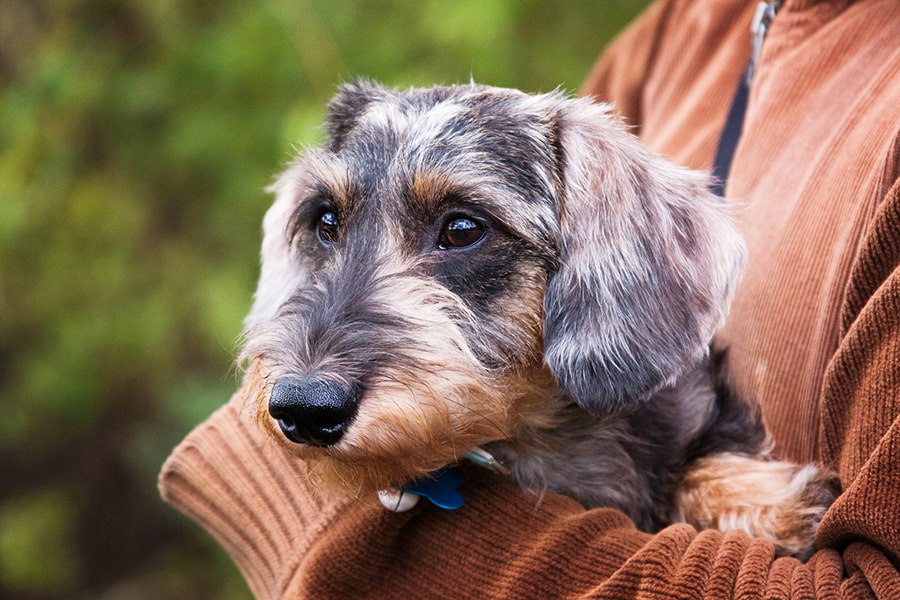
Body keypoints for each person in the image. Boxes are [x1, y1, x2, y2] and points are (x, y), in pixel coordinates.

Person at [159, 0, 900, 597]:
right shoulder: (680, 31)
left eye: (460, 230)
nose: (310, 378)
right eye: (327, 221)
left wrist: (371, 544)